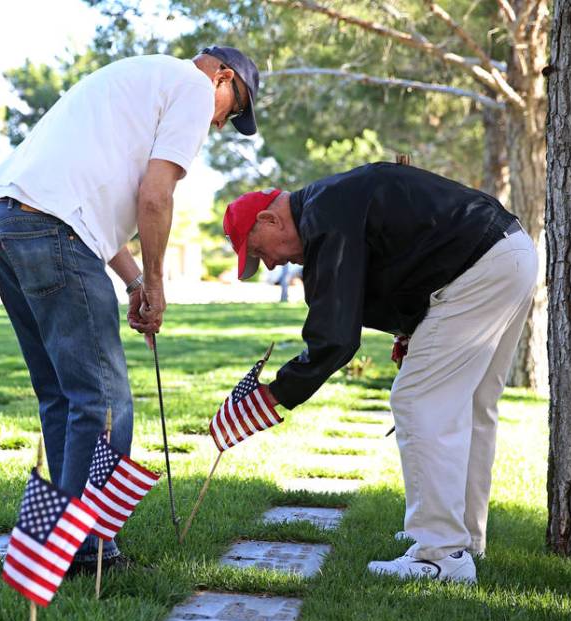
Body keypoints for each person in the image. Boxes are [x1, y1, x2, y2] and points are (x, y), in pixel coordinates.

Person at [0, 46, 260, 572]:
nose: (223, 122)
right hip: (52, 228)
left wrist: (132, 281)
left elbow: (85, 204)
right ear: (222, 77)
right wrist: (156, 282)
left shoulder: (137, 76)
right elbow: (155, 198)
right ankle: (85, 549)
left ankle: (48, 546)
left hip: (2, 220)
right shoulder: (195, 91)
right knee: (104, 403)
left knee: (63, 397)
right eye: (235, 106)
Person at [222, 162, 538, 584]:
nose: (269, 263)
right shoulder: (332, 200)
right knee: (474, 406)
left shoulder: (323, 216)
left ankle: (440, 554)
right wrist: (411, 329)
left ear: (269, 219)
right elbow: (405, 260)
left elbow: (335, 336)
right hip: (511, 251)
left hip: (476, 268)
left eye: (260, 251)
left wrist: (275, 393)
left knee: (417, 402)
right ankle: (462, 539)